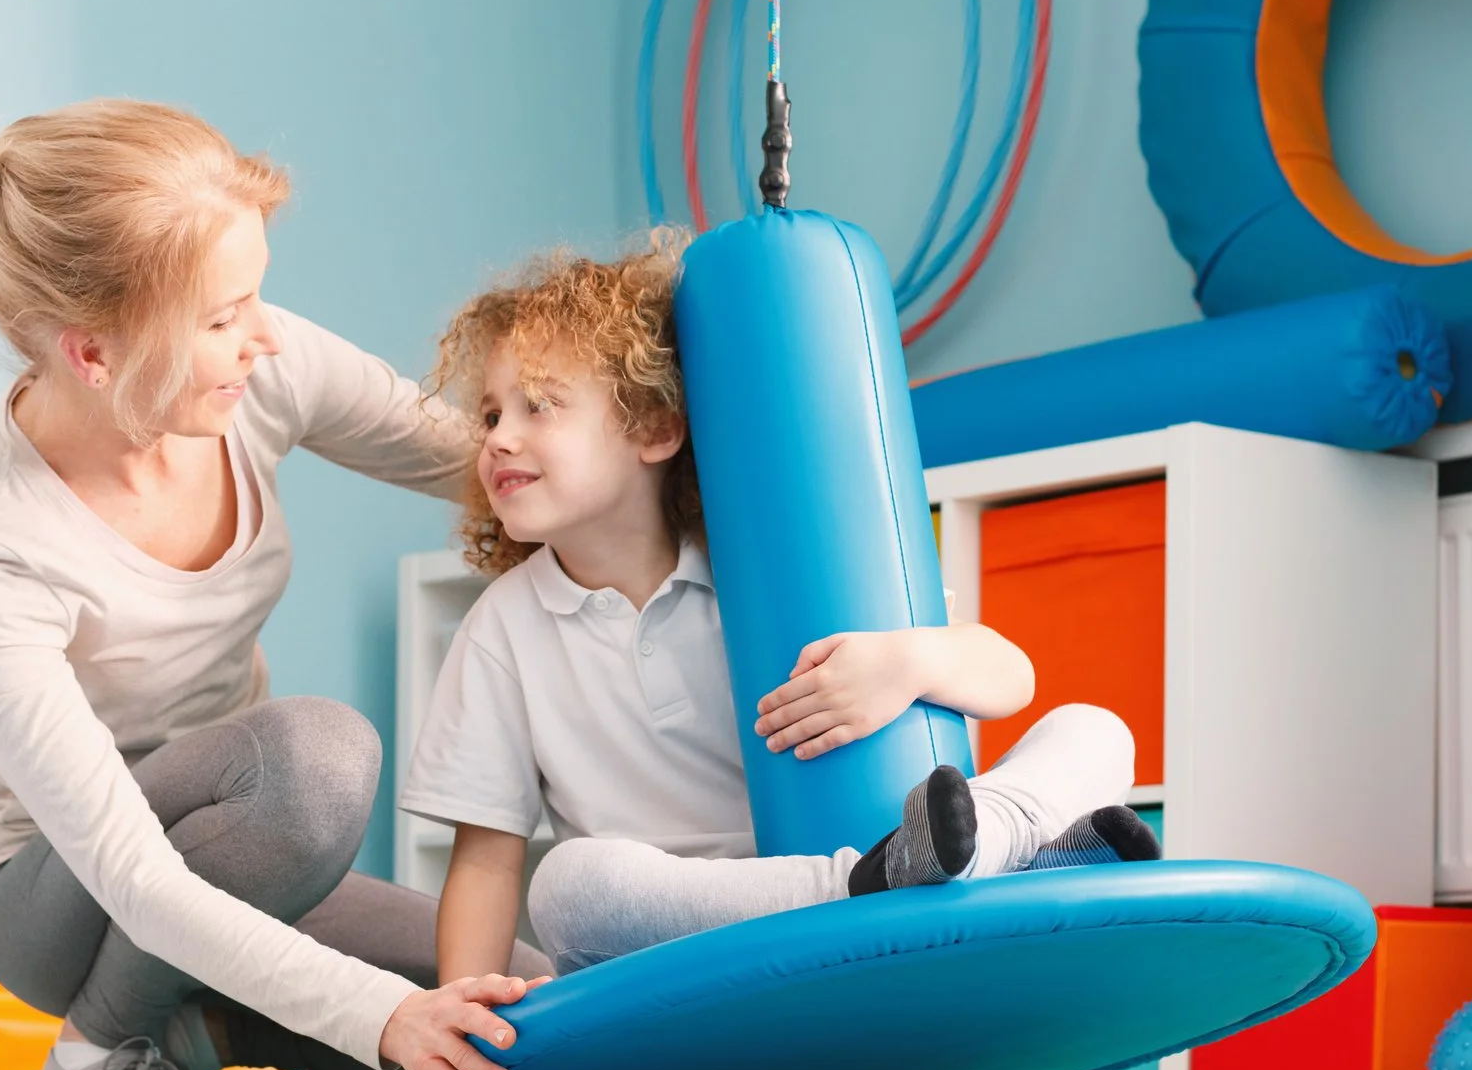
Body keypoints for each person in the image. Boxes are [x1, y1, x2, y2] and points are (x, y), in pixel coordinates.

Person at [0, 99, 540, 1070]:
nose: (261, 336)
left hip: (254, 858)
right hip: (62, 896)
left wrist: (649, 484)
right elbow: (133, 873)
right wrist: (384, 1018)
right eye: (221, 315)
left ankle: (197, 1026)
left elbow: (480, 467)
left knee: (541, 1036)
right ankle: (92, 1065)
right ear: (93, 353)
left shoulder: (257, 365)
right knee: (316, 762)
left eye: (258, 295)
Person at [401, 237, 1160, 984]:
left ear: (657, 428)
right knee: (566, 882)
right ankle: (896, 880)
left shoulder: (767, 564)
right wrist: (458, 1015)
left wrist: (906, 662)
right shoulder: (502, 625)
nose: (498, 437)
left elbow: (1011, 676)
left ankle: (983, 840)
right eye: (493, 414)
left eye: (539, 406)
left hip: (875, 845)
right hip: (681, 935)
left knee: (1098, 731)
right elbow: (486, 856)